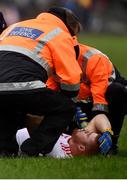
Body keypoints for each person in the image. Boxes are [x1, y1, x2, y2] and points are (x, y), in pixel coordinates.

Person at [0, 7, 82, 157]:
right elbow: (71, 80)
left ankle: (5, 150)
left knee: (8, 109)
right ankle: (31, 150)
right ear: (70, 28)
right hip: (24, 85)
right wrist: (69, 100)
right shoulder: (60, 34)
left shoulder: (15, 26)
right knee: (64, 108)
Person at [47, 41, 127, 155]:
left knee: (116, 91)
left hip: (106, 97)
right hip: (84, 100)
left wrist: (107, 130)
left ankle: (112, 144)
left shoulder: (93, 59)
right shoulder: (55, 60)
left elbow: (100, 103)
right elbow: (51, 94)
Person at [16, 111, 113, 158]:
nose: (86, 130)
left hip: (13, 138)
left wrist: (64, 114)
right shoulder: (72, 141)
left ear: (81, 147)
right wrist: (107, 132)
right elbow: (100, 117)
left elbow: (33, 118)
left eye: (87, 134)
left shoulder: (61, 153)